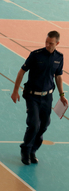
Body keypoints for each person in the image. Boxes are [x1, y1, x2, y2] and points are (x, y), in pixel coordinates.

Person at [11, 30, 68, 165]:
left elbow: (58, 76)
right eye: (46, 42)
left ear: (57, 43)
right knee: (34, 124)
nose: (47, 45)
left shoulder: (59, 57)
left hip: (47, 98)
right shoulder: (36, 55)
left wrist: (62, 94)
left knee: (44, 125)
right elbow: (22, 72)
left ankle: (33, 150)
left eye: (51, 43)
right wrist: (15, 91)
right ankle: (25, 150)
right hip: (32, 96)